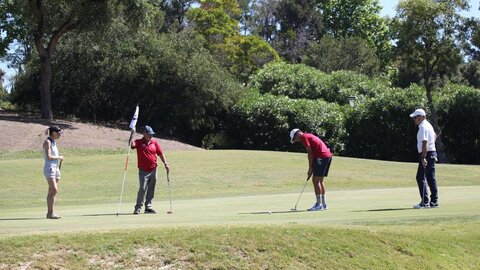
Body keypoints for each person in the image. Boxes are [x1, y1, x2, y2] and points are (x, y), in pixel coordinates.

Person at [290, 128, 333, 211]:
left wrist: (310, 168)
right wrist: (312, 166)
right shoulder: (308, 135)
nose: (297, 141)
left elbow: (310, 153)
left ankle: (319, 204)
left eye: (295, 139)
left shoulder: (303, 137)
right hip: (327, 156)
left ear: (297, 134)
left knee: (315, 180)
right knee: (320, 180)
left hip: (322, 157)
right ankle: (323, 204)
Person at [131, 125, 170, 214]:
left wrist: (166, 164)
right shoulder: (139, 142)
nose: (151, 136)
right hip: (143, 170)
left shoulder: (154, 142)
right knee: (143, 189)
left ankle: (148, 207)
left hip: (154, 169)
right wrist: (132, 135)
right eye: (149, 134)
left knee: (151, 188)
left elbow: (160, 154)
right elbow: (132, 145)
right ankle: (138, 208)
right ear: (144, 133)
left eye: (151, 134)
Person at [410, 109, 439, 209]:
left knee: (420, 177)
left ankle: (425, 202)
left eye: (416, 117)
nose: (414, 119)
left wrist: (423, 157)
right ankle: (434, 202)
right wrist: (432, 146)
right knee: (431, 178)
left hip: (427, 154)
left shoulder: (423, 127)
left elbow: (424, 142)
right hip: (432, 152)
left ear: (422, 117)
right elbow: (434, 136)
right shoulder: (428, 125)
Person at [43, 125, 64, 219]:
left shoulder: (54, 142)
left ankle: (50, 213)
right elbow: (49, 157)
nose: (60, 135)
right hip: (50, 168)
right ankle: (50, 213)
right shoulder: (47, 142)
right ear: (54, 133)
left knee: (52, 192)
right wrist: (59, 157)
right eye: (59, 133)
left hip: (55, 168)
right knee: (54, 190)